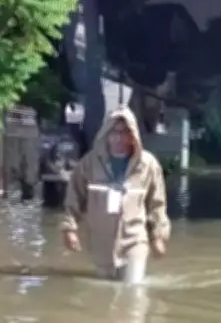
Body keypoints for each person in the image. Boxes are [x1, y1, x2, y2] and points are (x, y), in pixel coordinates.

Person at [60, 106, 171, 284]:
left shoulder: (147, 165)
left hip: (134, 240)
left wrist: (158, 237)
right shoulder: (90, 163)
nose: (120, 138)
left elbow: (157, 205)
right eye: (115, 132)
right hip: (101, 244)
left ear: (133, 135)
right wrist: (69, 229)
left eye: (126, 132)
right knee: (104, 296)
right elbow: (74, 196)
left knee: (132, 291)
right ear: (106, 133)